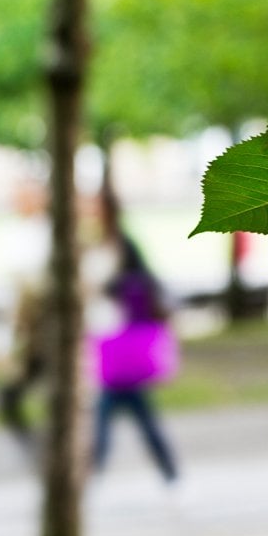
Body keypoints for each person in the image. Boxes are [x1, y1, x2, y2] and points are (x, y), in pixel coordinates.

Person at [86, 194, 179, 484]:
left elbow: (141, 283)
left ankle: (91, 473)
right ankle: (167, 470)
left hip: (120, 335)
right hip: (105, 334)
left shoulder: (121, 246)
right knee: (131, 407)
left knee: (112, 405)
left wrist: (108, 287)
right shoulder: (94, 244)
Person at [0, 177, 52, 458]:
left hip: (47, 330)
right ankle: (40, 453)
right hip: (25, 332)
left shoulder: (51, 233)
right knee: (9, 397)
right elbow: (9, 292)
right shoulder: (14, 233)